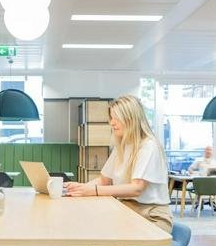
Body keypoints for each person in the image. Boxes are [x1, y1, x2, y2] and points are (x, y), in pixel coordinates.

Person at [63, 95, 173, 233]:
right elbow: (104, 180)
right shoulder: (122, 146)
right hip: (128, 210)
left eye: (117, 118)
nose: (112, 123)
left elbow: (136, 188)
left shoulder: (148, 146)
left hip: (151, 216)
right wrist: (80, 188)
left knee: (97, 231)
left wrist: (94, 191)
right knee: (87, 224)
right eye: (111, 118)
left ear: (131, 119)